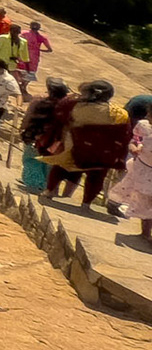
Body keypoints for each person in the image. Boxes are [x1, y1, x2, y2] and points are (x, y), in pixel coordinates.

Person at [43, 80, 133, 209]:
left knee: (60, 168)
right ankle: (86, 204)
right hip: (102, 152)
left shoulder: (72, 104)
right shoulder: (119, 113)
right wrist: (119, 156)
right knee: (96, 177)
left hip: (75, 145)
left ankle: (49, 191)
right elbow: (123, 136)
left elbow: (60, 119)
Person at [110, 96, 152, 241]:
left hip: (146, 168)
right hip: (142, 169)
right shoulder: (144, 126)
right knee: (143, 201)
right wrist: (133, 147)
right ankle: (145, 233)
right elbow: (135, 139)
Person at [17, 79, 71, 193]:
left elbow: (29, 116)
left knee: (31, 160)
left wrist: (22, 127)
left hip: (36, 135)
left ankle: (34, 184)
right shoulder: (69, 106)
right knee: (49, 163)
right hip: (57, 140)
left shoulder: (39, 100)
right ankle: (47, 186)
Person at [18, 22, 52, 99]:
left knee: (19, 70)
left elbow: (17, 41)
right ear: (39, 28)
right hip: (34, 58)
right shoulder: (42, 37)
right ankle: (23, 87)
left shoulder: (24, 33)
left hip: (23, 55)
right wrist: (39, 49)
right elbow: (49, 50)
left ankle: (18, 86)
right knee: (30, 73)